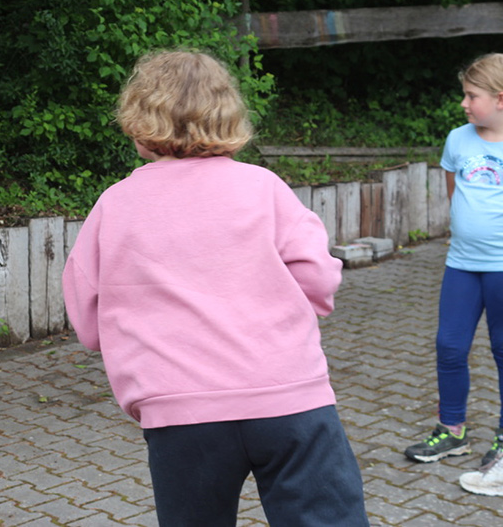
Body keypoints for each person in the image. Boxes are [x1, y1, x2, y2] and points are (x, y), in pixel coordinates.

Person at [62, 50, 369, 526]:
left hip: (182, 411)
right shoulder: (263, 187)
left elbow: (86, 314)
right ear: (226, 114)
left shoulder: (115, 204)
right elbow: (317, 276)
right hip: (288, 398)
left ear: (139, 121)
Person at [402, 53, 503, 496]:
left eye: (471, 95)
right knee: (449, 345)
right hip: (461, 263)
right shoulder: (458, 140)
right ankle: (453, 431)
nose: (463, 103)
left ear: (501, 100)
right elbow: (453, 192)